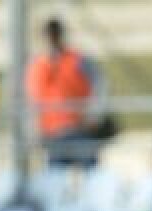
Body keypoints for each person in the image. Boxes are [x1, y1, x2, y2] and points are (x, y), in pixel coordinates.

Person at [25, 18, 105, 167]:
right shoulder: (37, 65)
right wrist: (33, 129)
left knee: (89, 170)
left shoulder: (78, 59)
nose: (52, 40)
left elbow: (99, 85)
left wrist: (94, 116)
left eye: (55, 35)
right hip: (51, 131)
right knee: (55, 175)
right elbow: (32, 99)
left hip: (79, 128)